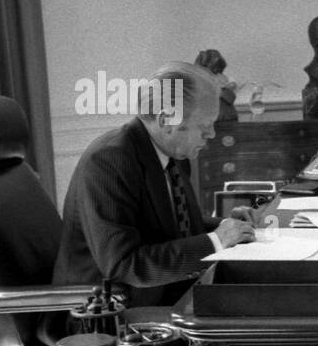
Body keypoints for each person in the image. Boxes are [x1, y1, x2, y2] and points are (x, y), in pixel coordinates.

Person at [55, 61, 256, 308]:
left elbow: (175, 228)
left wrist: (228, 226)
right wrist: (217, 240)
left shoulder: (172, 153)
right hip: (106, 312)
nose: (212, 134)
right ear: (166, 120)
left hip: (166, 293)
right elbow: (125, 265)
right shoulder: (109, 161)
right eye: (204, 126)